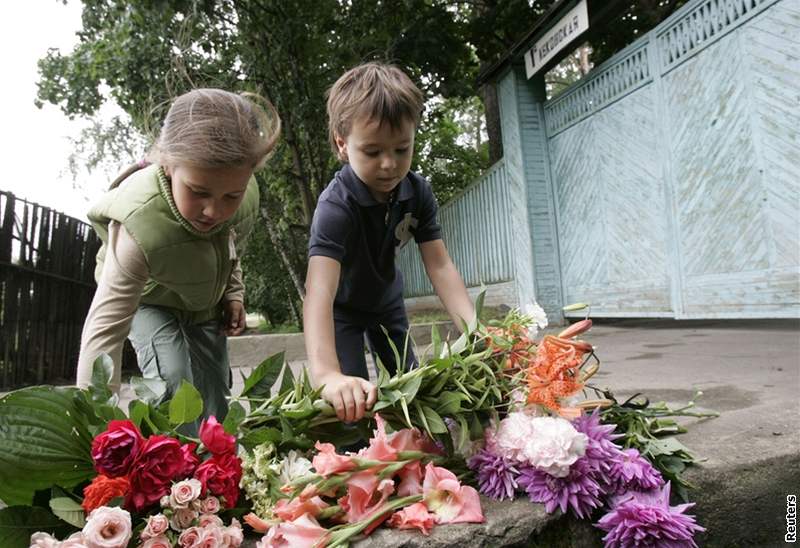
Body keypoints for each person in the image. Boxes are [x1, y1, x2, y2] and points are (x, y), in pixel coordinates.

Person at [76, 88, 280, 427]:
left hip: (202, 301)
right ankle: (177, 466)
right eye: (198, 192)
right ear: (168, 165)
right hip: (149, 298)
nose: (214, 210)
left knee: (215, 389)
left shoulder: (243, 199)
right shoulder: (137, 227)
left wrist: (233, 293)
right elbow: (105, 330)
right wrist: (91, 430)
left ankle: (218, 465)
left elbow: (229, 248)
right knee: (174, 380)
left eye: (231, 195)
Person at [304, 62, 475, 425]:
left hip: (387, 305)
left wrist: (475, 331)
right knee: (350, 409)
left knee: (408, 398)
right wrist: (326, 375)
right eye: (372, 151)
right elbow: (319, 289)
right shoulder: (336, 207)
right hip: (342, 312)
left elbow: (440, 265)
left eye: (401, 149)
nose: (389, 165)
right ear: (342, 144)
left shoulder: (418, 193)